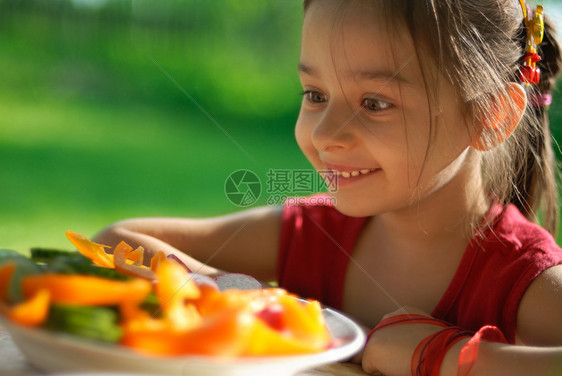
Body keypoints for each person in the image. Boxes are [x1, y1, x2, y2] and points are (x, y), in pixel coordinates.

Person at [93, 0, 562, 374]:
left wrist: (445, 357)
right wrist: (261, 304)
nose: (324, 135)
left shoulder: (521, 277)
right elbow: (115, 242)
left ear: (492, 115)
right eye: (316, 95)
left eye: (375, 102)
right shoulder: (315, 234)